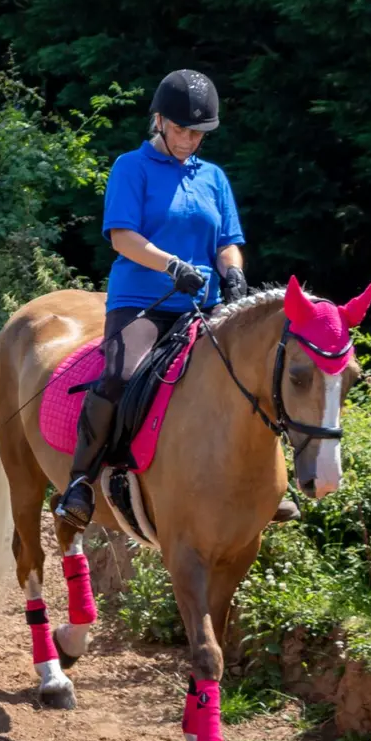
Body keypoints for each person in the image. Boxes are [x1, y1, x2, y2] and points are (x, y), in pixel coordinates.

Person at [55, 68, 248, 526]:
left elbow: (227, 241)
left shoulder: (214, 177)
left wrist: (233, 272)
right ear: (159, 121)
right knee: (119, 376)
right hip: (143, 302)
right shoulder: (131, 167)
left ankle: (256, 484)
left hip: (202, 305)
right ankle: (81, 481)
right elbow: (122, 237)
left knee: (249, 375)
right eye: (182, 130)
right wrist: (172, 266)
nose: (190, 141)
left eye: (198, 133)